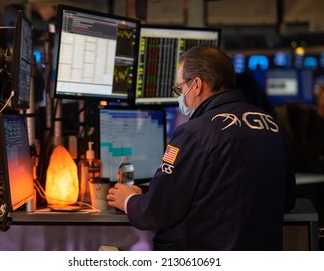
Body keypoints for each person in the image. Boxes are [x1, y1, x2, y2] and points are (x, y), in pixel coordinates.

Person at [107, 44, 296, 251]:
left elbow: (155, 212)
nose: (181, 96)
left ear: (196, 85)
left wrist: (129, 199)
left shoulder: (194, 132)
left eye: (180, 88)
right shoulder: (274, 127)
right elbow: (287, 201)